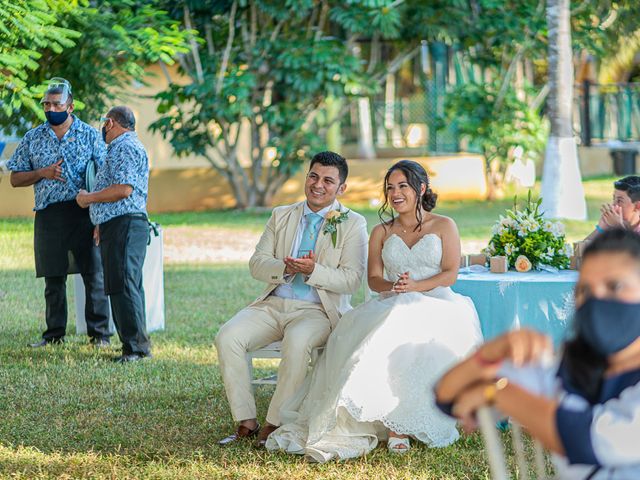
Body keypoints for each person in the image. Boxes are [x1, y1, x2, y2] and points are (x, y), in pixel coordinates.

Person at [266, 160, 482, 461]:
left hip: (437, 302)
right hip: (393, 300)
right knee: (383, 328)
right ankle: (381, 418)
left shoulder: (445, 225)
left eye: (402, 186)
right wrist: (394, 287)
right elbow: (373, 279)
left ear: (421, 188)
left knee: (407, 325)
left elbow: (450, 274)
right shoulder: (382, 231)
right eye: (390, 188)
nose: (395, 193)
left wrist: (417, 286)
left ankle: (402, 422)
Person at [435, 228, 640, 479]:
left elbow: (589, 441)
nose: (596, 300)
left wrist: (499, 392)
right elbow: (448, 396)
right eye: (584, 291)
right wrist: (491, 351)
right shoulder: (572, 370)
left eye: (615, 285)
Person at [215, 151, 368, 448]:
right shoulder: (281, 215)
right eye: (313, 176)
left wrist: (315, 271)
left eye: (328, 180)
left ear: (341, 188)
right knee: (227, 336)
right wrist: (285, 267)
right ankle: (246, 420)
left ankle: (275, 423)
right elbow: (256, 263)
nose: (318, 185)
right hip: (273, 303)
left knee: (296, 344)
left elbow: (351, 279)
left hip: (317, 310)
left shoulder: (353, 223)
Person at [7, 77, 111, 347]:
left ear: (71, 106)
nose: (51, 109)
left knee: (94, 274)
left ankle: (99, 334)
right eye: (47, 104)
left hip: (84, 213)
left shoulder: (89, 135)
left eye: (57, 104)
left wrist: (100, 216)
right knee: (53, 277)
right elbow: (15, 178)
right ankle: (54, 335)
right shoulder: (33, 137)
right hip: (49, 215)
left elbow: (103, 176)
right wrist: (42, 173)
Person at [75, 106, 151, 363]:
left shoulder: (125, 147)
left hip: (125, 225)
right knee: (123, 285)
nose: (102, 129)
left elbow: (124, 189)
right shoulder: (121, 147)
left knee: (124, 286)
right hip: (116, 224)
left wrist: (88, 199)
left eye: (103, 123)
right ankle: (133, 346)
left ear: (110, 123)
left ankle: (136, 349)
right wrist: (100, 220)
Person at [585, 175, 640, 242]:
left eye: (619, 201)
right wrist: (601, 228)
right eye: (614, 199)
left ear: (638, 206)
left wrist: (619, 227)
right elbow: (580, 250)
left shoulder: (616, 226)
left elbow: (634, 250)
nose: (613, 205)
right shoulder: (611, 226)